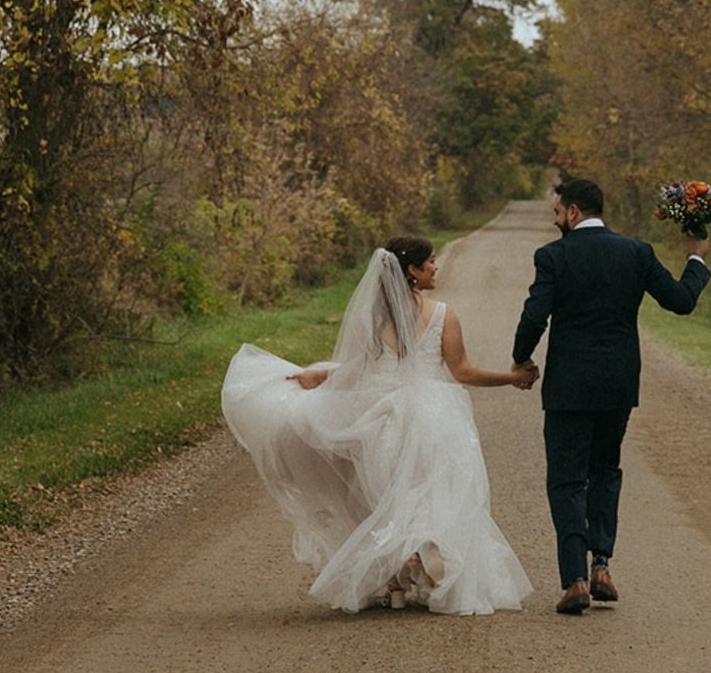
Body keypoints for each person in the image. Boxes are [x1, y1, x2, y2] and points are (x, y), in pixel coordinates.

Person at [222, 235, 537, 615]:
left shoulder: (370, 319)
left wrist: (320, 376)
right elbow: (463, 372)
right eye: (430, 261)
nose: (435, 266)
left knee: (385, 497)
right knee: (435, 492)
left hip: (381, 415)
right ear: (412, 271)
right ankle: (419, 555)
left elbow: (355, 374)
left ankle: (396, 577)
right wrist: (512, 378)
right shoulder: (444, 315)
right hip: (436, 415)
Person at [511, 176, 710, 614]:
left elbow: (535, 316)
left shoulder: (553, 256)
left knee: (567, 479)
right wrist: (696, 256)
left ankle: (575, 580)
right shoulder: (636, 252)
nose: (555, 220)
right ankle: (601, 564)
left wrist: (521, 359)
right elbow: (680, 301)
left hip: (569, 387)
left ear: (573, 211)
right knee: (604, 470)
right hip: (617, 384)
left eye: (558, 212)